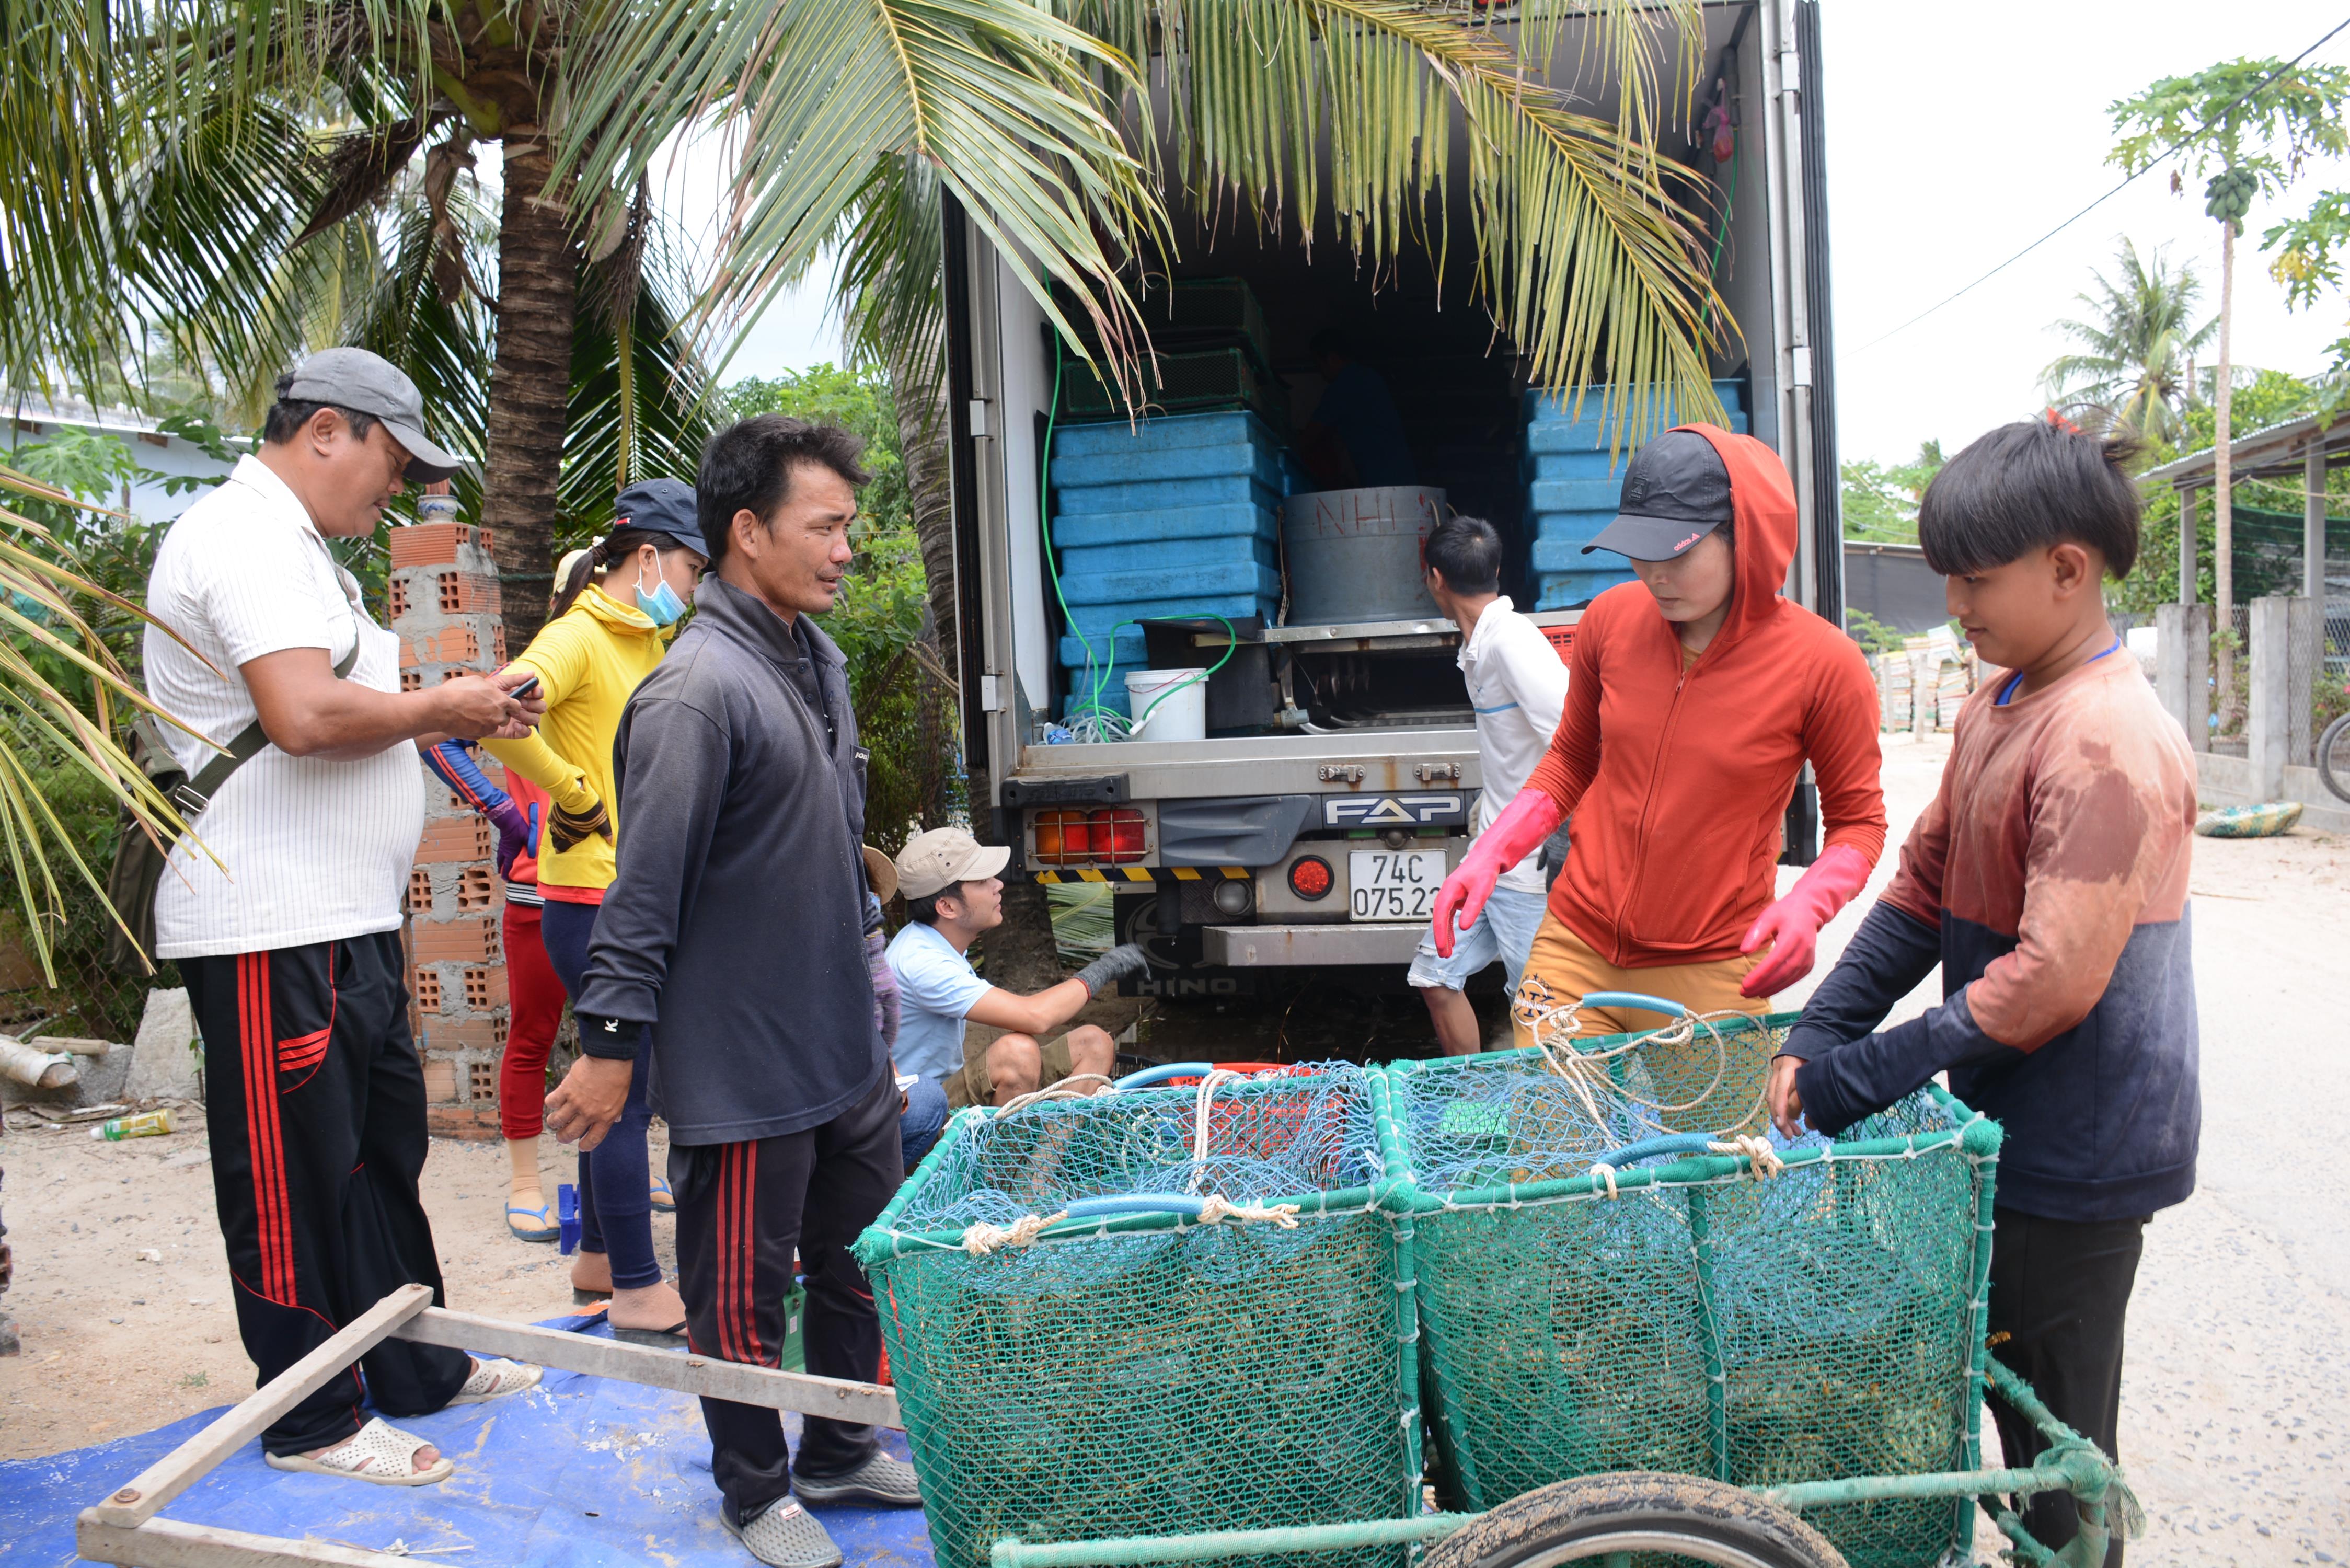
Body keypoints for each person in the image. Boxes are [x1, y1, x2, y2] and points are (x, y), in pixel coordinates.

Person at [1767, 418, 2198, 1567]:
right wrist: (1822, 1026)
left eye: (1976, 579)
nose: (1954, 605)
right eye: (1947, 577)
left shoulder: (2107, 737)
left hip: (2086, 1141)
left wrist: (1857, 1076)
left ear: (2068, 570)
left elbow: (2051, 981)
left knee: (2060, 1435)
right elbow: (1919, 889)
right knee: (2007, 1383)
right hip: (2010, 1121)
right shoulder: (1997, 705)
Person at [142, 347, 544, 1484]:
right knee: (290, 1179)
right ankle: (312, 1419)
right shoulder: (244, 537)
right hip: (265, 923)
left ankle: (415, 1367)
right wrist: (441, 700)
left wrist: (457, 713)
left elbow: (352, 707)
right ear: (327, 430)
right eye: (393, 459)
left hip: (343, 916)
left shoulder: (307, 551)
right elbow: (307, 714)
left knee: (377, 1159)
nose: (398, 487)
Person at [545, 414, 913, 1568]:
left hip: (840, 1036)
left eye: (851, 527)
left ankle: (841, 1450)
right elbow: (640, 893)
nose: (846, 548)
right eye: (827, 527)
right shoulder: (695, 691)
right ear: (747, 533)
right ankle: (754, 1489)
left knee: (859, 1261)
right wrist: (609, 1044)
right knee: (744, 1287)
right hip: (745, 1056)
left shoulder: (817, 657)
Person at [1431, 425, 1886, 1046]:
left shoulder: (1823, 666)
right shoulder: (1610, 622)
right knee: (1552, 1135)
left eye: (1675, 554)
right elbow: (1570, 758)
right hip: (1575, 944)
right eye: (1639, 551)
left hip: (1715, 960)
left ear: (1744, 535)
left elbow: (1858, 824)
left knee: (1716, 1147)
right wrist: (1492, 852)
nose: (1653, 574)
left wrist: (1809, 903)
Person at [482, 480, 706, 1342]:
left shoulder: (646, 642)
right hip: (592, 900)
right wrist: (570, 794)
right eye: (689, 567)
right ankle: (643, 1291)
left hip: (630, 893)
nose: (691, 587)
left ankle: (600, 1264)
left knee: (611, 1081)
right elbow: (499, 715)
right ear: (646, 557)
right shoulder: (577, 636)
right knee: (620, 1086)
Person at [1408, 516, 1569, 1053]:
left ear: (1433, 578)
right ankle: (1477, 1107)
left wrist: (1563, 842)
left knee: (1543, 1015)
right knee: (1434, 977)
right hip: (1489, 859)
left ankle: (1572, 1129)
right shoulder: (1479, 643)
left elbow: (1574, 737)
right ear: (1496, 570)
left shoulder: (1511, 641)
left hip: (1528, 869)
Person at [886, 828, 1144, 1110]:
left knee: (1094, 1044)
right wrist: (1105, 969)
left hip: (945, 1090)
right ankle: (1003, 1155)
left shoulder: (935, 942)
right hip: (918, 1112)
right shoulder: (922, 962)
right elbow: (1035, 1017)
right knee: (1017, 1055)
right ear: (947, 906)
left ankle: (1047, 1154)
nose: (998, 885)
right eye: (983, 880)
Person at [1297, 328, 1416, 489]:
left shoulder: (1342, 386)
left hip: (1381, 480)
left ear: (1332, 359)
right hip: (1402, 476)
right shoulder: (1370, 377)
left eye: (1320, 366)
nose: (1322, 375)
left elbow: (1311, 436)